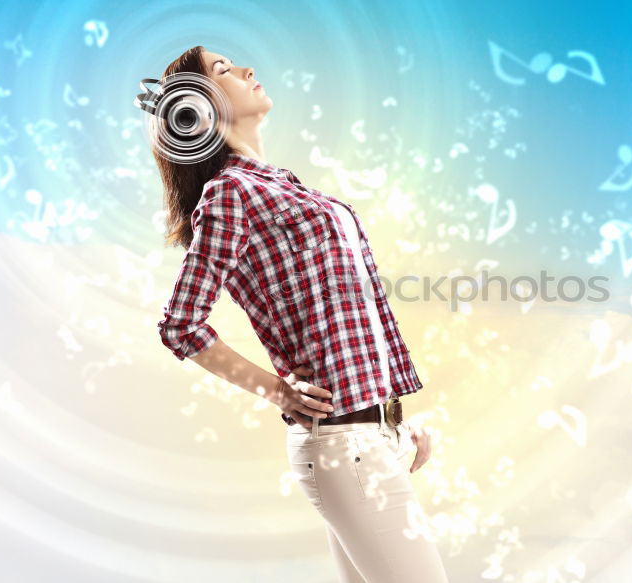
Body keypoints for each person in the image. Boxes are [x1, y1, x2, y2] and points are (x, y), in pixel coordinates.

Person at [150, 45, 449, 582]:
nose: (246, 69)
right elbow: (181, 324)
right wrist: (278, 390)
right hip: (343, 445)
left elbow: (343, 315)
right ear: (199, 107)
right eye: (222, 70)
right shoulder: (230, 193)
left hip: (367, 438)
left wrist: (393, 418)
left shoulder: (284, 186)